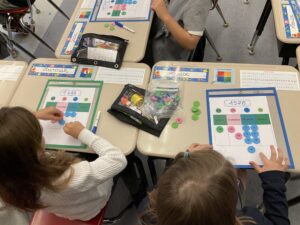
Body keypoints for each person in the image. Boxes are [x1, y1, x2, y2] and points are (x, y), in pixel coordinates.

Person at [0, 106, 127, 221]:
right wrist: (82, 133)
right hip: (91, 207)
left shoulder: (8, 180)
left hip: (66, 210)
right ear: (38, 150)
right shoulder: (68, 177)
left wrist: (35, 115)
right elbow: (117, 159)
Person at [143, 144, 290, 225]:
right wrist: (274, 180)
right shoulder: (251, 218)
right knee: (242, 172)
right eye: (234, 181)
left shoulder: (150, 214)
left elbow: (170, 189)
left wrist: (186, 158)